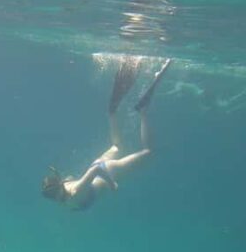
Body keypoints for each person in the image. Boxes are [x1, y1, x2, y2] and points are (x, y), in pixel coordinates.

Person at [41, 57, 172, 211]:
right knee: (117, 146)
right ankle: (112, 112)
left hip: (108, 170)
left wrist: (112, 184)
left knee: (149, 152)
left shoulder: (74, 195)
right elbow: (82, 176)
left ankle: (143, 111)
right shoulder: (65, 187)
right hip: (99, 163)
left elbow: (96, 171)